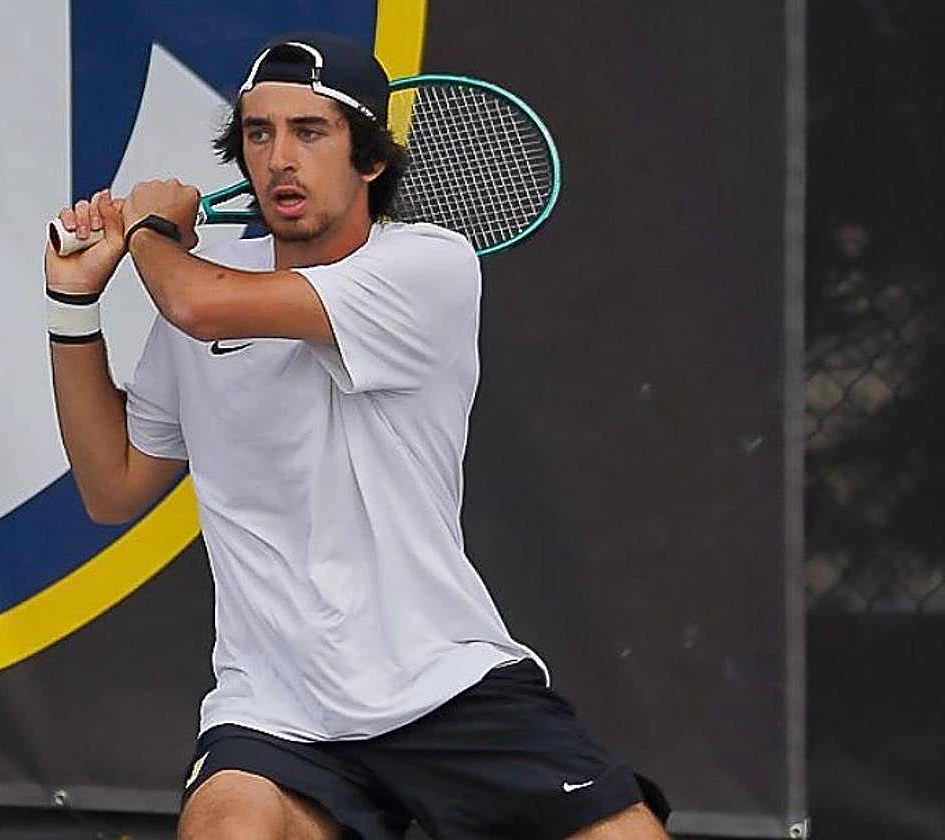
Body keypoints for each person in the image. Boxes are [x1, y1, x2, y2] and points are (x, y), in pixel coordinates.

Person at [44, 32, 670, 840]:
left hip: (445, 683)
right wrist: (70, 303)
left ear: (369, 159)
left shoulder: (429, 267)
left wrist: (148, 231)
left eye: (310, 132)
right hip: (275, 709)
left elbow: (198, 303)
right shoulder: (201, 296)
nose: (278, 160)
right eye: (259, 133)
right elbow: (113, 485)